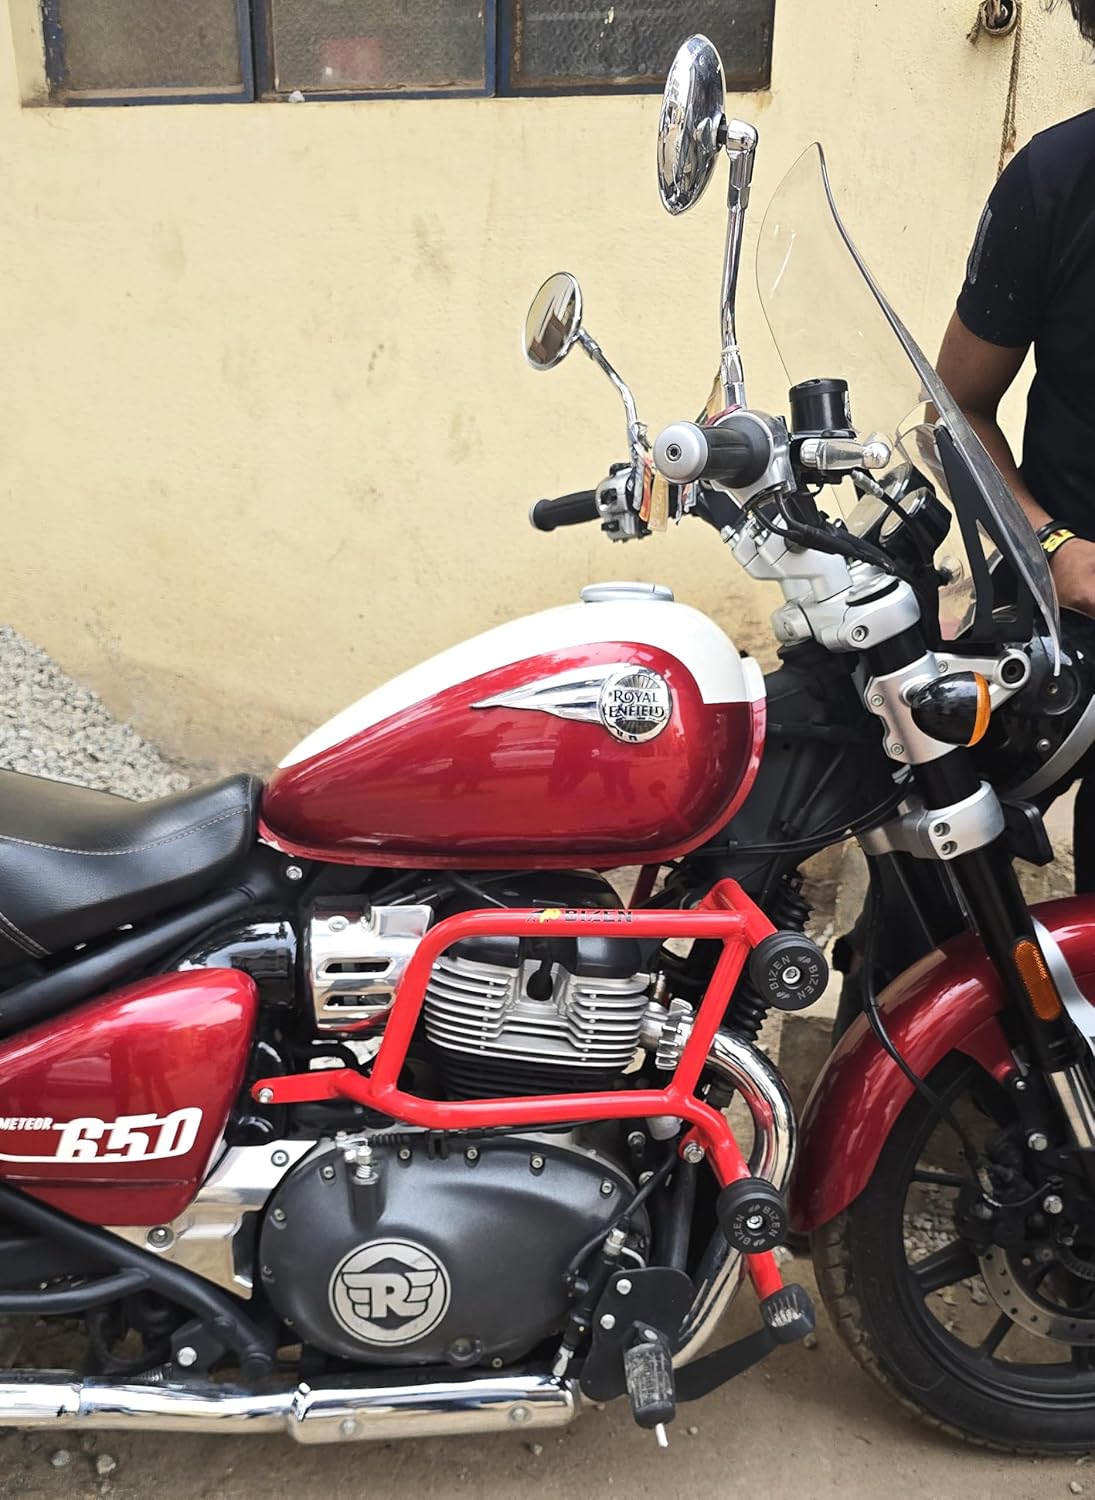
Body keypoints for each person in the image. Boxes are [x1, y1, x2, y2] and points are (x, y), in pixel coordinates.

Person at [936, 0, 1095, 889]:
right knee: (937, 853)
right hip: (1066, 623)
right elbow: (955, 409)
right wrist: (1051, 546)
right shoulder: (1054, 179)